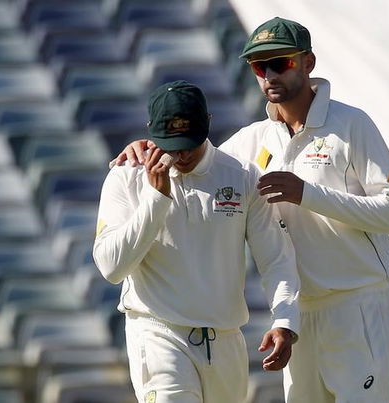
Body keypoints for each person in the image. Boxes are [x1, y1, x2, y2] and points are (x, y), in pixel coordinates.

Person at [111, 17, 389, 403]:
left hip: (357, 305)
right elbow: (197, 157)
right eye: (258, 66)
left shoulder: (351, 125)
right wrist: (149, 144)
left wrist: (307, 193)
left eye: (280, 63)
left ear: (308, 63)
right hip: (297, 318)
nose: (268, 74)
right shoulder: (252, 141)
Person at [93, 80, 300, 403]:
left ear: (208, 125)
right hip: (158, 330)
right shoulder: (126, 176)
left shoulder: (241, 176)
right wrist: (156, 199)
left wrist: (285, 320)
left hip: (225, 337)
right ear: (152, 132)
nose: (183, 153)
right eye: (172, 144)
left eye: (190, 141)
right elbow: (111, 266)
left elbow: (276, 258)